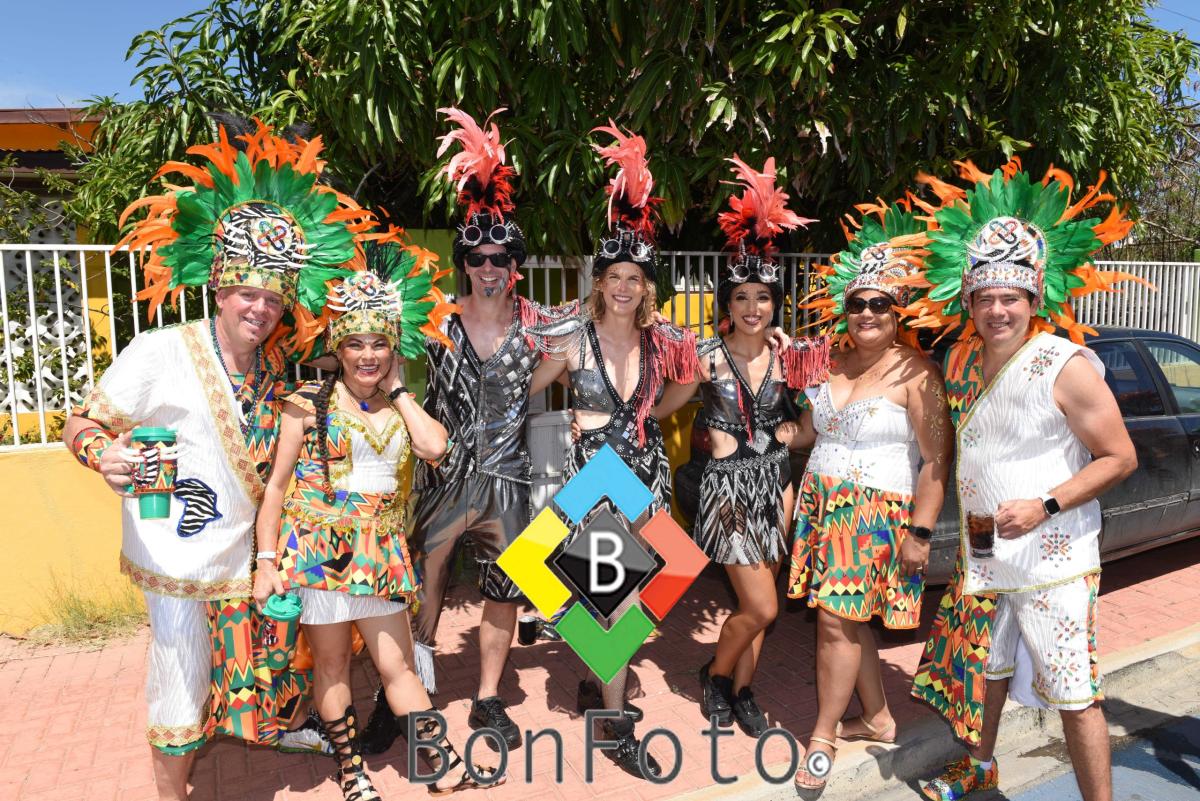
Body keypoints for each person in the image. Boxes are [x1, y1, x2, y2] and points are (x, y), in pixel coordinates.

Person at [62, 124, 372, 799]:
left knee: (258, 674)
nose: (259, 308)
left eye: (273, 298)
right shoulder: (160, 349)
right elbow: (80, 421)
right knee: (180, 685)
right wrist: (103, 451)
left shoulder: (275, 367)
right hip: (176, 558)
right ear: (219, 287)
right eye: (247, 293)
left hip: (246, 558)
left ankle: (276, 735)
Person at [907, 159, 1139, 801]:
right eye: (984, 298)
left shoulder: (1064, 364)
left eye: (1010, 297)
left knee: (1075, 695)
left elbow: (1120, 457)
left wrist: (1045, 505)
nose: (997, 309)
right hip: (985, 555)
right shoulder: (959, 360)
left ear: (1034, 300)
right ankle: (980, 767)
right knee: (986, 671)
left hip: (1053, 562)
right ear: (968, 302)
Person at [362, 108, 577, 754]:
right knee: (421, 592)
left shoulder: (538, 325)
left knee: (505, 592)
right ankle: (396, 697)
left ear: (514, 263)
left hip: (510, 480)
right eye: (478, 258)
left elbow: (585, 348)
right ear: (465, 262)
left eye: (499, 258)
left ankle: (487, 697)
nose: (488, 267)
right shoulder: (436, 321)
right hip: (442, 477)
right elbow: (365, 349)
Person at [252, 242, 500, 799]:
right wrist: (267, 560)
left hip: (381, 554)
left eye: (379, 343)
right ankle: (351, 772)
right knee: (333, 666)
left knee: (399, 667)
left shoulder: (398, 406)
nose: (368, 355)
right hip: (318, 554)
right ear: (338, 348)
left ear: (393, 347)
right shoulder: (307, 403)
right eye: (356, 343)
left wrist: (400, 390)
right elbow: (276, 488)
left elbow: (435, 447)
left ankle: (443, 762)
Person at [525, 125, 699, 779]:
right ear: (598, 282)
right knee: (614, 601)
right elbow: (527, 387)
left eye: (635, 277)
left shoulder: (661, 339)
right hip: (595, 478)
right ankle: (616, 726)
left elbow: (687, 383)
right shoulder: (574, 337)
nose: (624, 286)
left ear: (646, 285)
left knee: (652, 587)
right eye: (614, 276)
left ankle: (596, 681)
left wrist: (655, 414)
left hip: (644, 476)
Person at [780, 198, 953, 791]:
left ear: (897, 310)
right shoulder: (830, 363)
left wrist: (920, 532)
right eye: (857, 304)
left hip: (876, 515)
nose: (867, 313)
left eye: (880, 303)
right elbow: (808, 432)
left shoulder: (918, 373)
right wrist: (763, 432)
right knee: (849, 623)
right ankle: (877, 718)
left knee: (834, 623)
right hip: (822, 505)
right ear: (845, 310)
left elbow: (936, 461)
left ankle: (823, 733)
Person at [653, 156, 826, 737]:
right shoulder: (704, 358)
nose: (753, 308)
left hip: (777, 485)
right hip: (725, 492)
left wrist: (795, 433)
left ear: (776, 304)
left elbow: (811, 423)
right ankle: (715, 673)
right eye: (742, 297)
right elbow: (660, 408)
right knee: (762, 608)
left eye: (763, 297)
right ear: (726, 305)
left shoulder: (790, 360)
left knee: (761, 602)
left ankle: (743, 690)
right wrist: (600, 421)